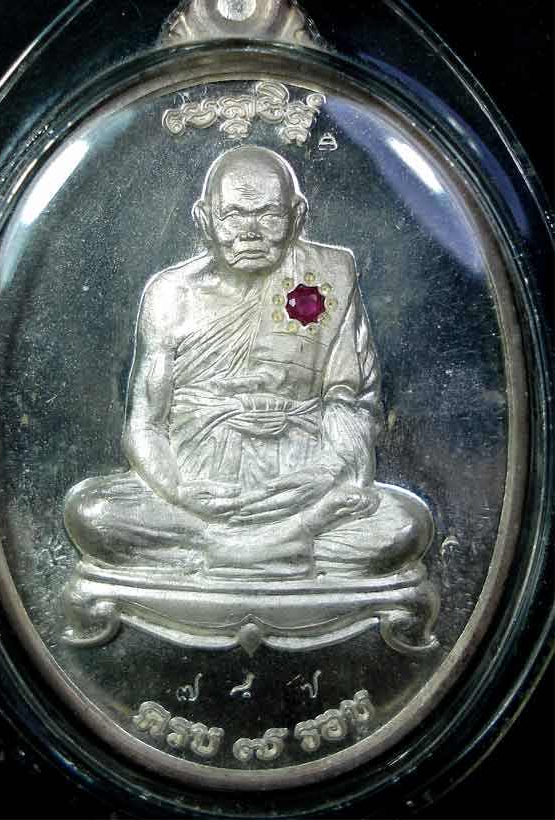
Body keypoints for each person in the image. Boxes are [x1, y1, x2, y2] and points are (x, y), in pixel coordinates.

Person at [65, 145, 433, 580]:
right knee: (92, 512)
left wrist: (326, 473)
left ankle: (228, 549)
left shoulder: (330, 276)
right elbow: (146, 424)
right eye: (233, 215)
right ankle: (278, 544)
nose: (250, 232)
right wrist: (178, 490)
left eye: (269, 215)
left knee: (405, 524)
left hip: (301, 483)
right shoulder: (171, 295)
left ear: (297, 215)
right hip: (202, 490)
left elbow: (351, 400)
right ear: (205, 219)